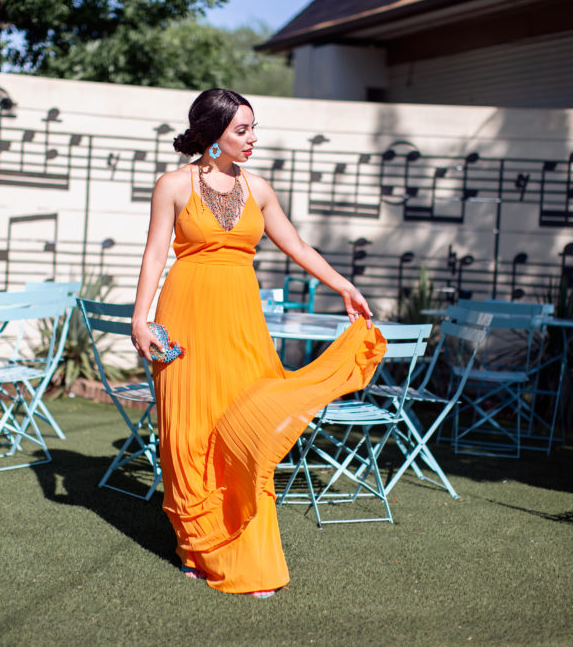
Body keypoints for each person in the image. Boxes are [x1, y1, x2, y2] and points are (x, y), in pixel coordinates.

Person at [131, 88, 386, 597]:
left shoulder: (260, 189)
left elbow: (295, 244)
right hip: (184, 316)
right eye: (241, 130)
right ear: (212, 135)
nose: (252, 139)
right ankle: (197, 547)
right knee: (186, 436)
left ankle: (245, 551)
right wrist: (140, 319)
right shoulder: (174, 186)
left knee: (249, 423)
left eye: (253, 129)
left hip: (242, 319)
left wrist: (344, 285)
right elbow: (156, 251)